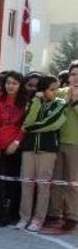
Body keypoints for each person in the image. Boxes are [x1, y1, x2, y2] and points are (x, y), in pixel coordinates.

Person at [17, 75, 67, 232]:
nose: (55, 92)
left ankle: (38, 219)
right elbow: (27, 120)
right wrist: (37, 102)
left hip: (47, 150)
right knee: (27, 184)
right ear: (43, 90)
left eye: (56, 89)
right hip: (29, 149)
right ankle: (24, 217)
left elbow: (53, 123)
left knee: (43, 186)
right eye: (52, 89)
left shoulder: (60, 103)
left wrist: (29, 129)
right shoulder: (33, 102)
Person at [0, 71, 26, 227]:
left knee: (10, 183)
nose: (11, 86)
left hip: (14, 148)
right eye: (8, 83)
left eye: (14, 83)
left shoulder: (25, 101)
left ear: (20, 85)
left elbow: (24, 126)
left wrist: (16, 142)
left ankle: (6, 213)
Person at [48, 61, 78, 231]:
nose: (76, 78)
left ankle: (72, 216)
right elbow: (51, 106)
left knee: (72, 182)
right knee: (56, 179)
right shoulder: (61, 92)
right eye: (73, 74)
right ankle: (54, 213)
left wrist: (75, 102)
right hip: (57, 142)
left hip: (75, 145)